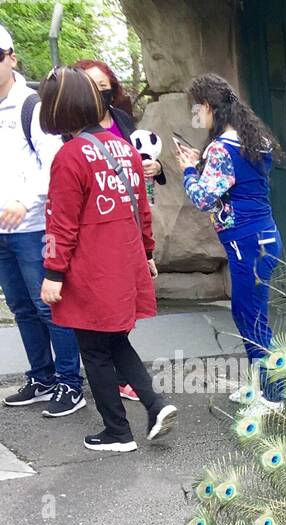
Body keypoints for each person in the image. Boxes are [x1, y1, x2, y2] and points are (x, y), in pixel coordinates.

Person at [38, 66, 176, 452]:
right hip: (125, 262)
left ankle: (117, 432)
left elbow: (60, 222)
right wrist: (147, 253)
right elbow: (142, 210)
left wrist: (53, 272)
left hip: (90, 269)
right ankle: (155, 403)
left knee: (94, 350)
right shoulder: (124, 148)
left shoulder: (70, 156)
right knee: (114, 342)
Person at [177, 73, 283, 406]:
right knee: (248, 314)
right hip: (263, 236)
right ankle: (260, 384)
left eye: (198, 108)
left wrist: (189, 169)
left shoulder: (223, 148)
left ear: (208, 107)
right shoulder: (254, 139)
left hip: (246, 243)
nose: (198, 115)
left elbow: (204, 199)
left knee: (251, 317)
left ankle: (274, 393)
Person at [0, 24, 84, 416]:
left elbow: (54, 164)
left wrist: (25, 199)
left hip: (32, 226)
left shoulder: (29, 105)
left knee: (48, 305)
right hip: (1, 230)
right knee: (20, 307)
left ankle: (70, 382)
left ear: (11, 57)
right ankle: (41, 377)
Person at [76, 57, 165, 403]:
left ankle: (121, 380)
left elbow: (139, 163)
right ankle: (118, 378)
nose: (100, 94)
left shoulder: (123, 121)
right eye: (91, 87)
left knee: (120, 315)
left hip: (125, 228)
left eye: (104, 87)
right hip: (94, 232)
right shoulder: (71, 135)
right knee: (102, 320)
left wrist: (156, 168)